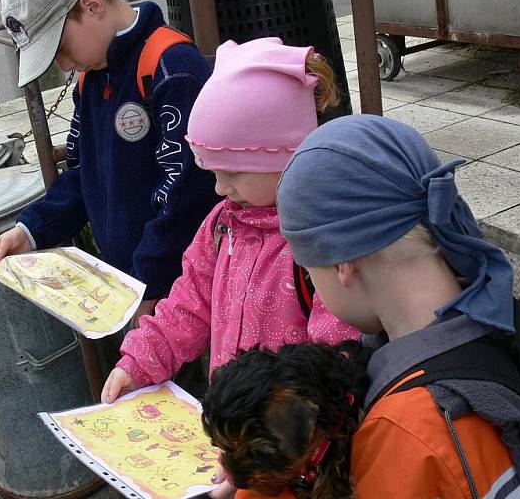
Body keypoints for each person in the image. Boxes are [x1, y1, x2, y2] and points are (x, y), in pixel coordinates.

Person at [268, 114, 520, 498]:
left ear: (343, 264)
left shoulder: (408, 431)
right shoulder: (492, 324)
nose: (313, 285)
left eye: (309, 273)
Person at [101, 38, 359, 408]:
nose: (221, 188)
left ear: (284, 158)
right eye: (215, 173)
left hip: (290, 437)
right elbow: (188, 304)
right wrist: (138, 363)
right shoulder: (223, 226)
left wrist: (276, 438)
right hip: (235, 426)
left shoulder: (320, 239)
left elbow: (333, 360)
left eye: (234, 172)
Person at [0, 0, 219, 326]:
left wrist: (148, 284)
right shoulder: (91, 78)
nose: (61, 63)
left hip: (180, 291)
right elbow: (80, 174)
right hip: (127, 288)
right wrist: (31, 229)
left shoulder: (171, 68)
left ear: (92, 5)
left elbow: (188, 196)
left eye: (59, 47)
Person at [201, 341, 370, 499]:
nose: (235, 480)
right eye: (225, 449)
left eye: (258, 453)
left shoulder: (358, 428)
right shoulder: (293, 418)